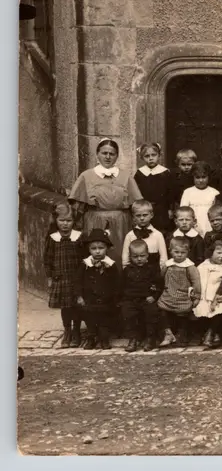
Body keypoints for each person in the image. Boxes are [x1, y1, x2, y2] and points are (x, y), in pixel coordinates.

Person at [68, 138, 143, 266]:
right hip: (94, 220)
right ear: (97, 154)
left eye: (112, 154)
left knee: (119, 254)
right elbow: (77, 205)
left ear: (117, 156)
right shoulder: (86, 176)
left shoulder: (126, 176)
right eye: (104, 153)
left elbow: (136, 204)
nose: (108, 157)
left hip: (121, 222)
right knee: (96, 254)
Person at [43, 202, 85, 348]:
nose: (65, 224)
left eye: (69, 221)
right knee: (65, 307)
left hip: (76, 278)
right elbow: (47, 259)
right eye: (62, 220)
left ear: (74, 221)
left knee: (76, 306)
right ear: (56, 221)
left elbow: (84, 258)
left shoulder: (78, 237)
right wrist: (50, 277)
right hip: (60, 278)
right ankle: (67, 331)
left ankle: (76, 331)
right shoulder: (52, 237)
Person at [74, 228, 121, 350]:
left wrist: (115, 299)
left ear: (106, 248)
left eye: (101, 248)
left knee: (104, 321)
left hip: (106, 300)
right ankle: (91, 338)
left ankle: (104, 339)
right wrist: (79, 296)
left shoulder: (110, 265)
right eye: (93, 249)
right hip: (89, 300)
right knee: (90, 319)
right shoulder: (85, 264)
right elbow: (78, 281)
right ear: (89, 250)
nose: (98, 252)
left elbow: (116, 283)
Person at [157, 236, 201, 347]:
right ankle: (168, 333)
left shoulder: (190, 267)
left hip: (183, 295)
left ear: (187, 252)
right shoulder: (168, 265)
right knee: (162, 308)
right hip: (169, 293)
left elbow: (196, 282)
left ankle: (182, 334)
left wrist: (196, 296)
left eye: (183, 252)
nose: (179, 255)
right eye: (176, 252)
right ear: (170, 251)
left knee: (183, 314)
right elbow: (162, 277)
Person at [120, 239, 163, 352]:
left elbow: (159, 284)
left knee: (151, 313)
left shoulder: (152, 269)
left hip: (146, 298)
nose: (139, 259)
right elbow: (122, 285)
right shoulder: (127, 270)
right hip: (131, 299)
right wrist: (124, 299)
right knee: (128, 314)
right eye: (135, 256)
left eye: (142, 256)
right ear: (130, 257)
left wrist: (154, 296)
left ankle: (150, 338)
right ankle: (133, 339)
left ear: (147, 255)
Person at [193, 240, 222, 349]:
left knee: (219, 310)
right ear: (211, 253)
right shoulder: (202, 266)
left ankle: (211, 333)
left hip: (219, 297)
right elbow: (196, 281)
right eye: (219, 253)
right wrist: (195, 294)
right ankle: (213, 335)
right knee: (200, 309)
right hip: (203, 296)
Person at [133, 142, 175, 233]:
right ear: (142, 158)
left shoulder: (165, 173)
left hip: (162, 209)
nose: (151, 158)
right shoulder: (140, 173)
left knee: (161, 231)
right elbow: (135, 192)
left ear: (159, 155)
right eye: (147, 156)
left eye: (153, 155)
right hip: (145, 209)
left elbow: (170, 193)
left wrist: (170, 209)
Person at [121, 200, 168, 269]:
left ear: (151, 215)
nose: (142, 218)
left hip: (153, 273)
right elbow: (125, 258)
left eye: (145, 215)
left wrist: (160, 274)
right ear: (133, 217)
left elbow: (163, 258)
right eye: (138, 216)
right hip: (134, 273)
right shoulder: (130, 235)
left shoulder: (158, 235)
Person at [179, 161, 219, 237]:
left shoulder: (214, 192)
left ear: (208, 177)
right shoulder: (188, 192)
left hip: (209, 226)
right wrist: (192, 226)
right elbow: (183, 212)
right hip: (192, 227)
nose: (201, 180)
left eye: (203, 177)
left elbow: (216, 213)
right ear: (193, 177)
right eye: (197, 177)